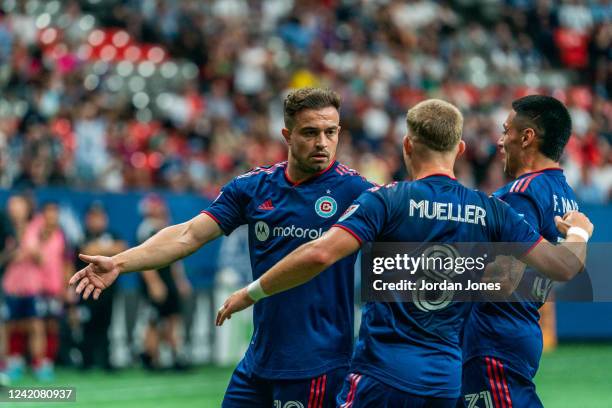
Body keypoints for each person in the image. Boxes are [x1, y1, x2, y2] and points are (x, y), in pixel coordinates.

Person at [215, 99, 593, 407]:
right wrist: (580, 231)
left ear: (407, 145)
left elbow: (319, 254)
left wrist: (252, 292)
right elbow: (564, 266)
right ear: (460, 148)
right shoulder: (492, 210)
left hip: (383, 375)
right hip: (445, 381)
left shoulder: (387, 200)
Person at [69, 88, 375, 407]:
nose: (322, 143)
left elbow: (403, 246)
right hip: (259, 361)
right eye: (310, 133)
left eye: (331, 132)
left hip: (318, 366)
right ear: (287, 135)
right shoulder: (254, 188)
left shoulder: (357, 191)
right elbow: (188, 234)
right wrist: (119, 262)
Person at [460, 95, 588, 407]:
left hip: (493, 339)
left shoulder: (520, 194)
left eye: (506, 131)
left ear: (527, 137)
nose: (501, 141)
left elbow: (501, 279)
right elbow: (569, 262)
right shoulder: (565, 195)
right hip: (520, 329)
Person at [136, 194, 191, 371]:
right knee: (154, 319)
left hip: (167, 279)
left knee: (171, 318)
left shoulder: (166, 227)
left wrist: (180, 281)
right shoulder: (147, 229)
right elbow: (143, 258)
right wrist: (153, 283)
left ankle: (174, 354)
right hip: (158, 280)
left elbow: (175, 258)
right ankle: (151, 356)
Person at [75, 202, 126, 370]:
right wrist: (108, 251)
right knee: (88, 324)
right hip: (86, 289)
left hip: (109, 290)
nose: (97, 221)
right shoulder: (82, 235)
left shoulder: (112, 233)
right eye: (93, 217)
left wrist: (101, 249)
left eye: (100, 217)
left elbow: (123, 248)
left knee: (106, 325)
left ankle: (106, 360)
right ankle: (87, 361)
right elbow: (87, 250)